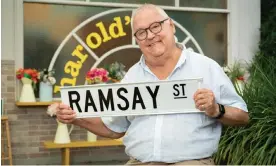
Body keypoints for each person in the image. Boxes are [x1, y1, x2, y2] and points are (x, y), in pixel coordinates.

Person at [53, 4, 249, 165]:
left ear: (171, 26)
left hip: (191, 162)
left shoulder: (205, 67)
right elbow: (114, 128)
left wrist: (216, 109)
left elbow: (242, 116)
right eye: (141, 32)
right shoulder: (132, 76)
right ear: (137, 40)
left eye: (156, 26)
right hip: (140, 162)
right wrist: (75, 118)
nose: (150, 35)